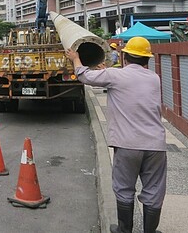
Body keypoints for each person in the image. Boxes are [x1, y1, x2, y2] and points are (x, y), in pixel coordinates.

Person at [65, 37, 166, 233]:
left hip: (128, 144)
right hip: (156, 146)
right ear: (147, 60)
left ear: (124, 56)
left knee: (124, 187)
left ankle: (123, 229)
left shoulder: (115, 75)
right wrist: (105, 72)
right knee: (154, 190)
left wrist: (75, 58)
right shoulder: (155, 78)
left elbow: (84, 76)